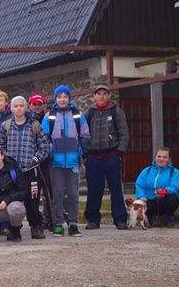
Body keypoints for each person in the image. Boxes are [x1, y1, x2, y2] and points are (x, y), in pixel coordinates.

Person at [0, 95, 51, 239]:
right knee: (13, 200)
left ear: (25, 107)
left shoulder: (34, 125)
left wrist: (35, 159)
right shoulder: (5, 126)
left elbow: (44, 146)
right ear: (12, 108)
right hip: (12, 172)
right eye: (16, 106)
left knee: (33, 201)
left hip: (30, 170)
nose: (19, 108)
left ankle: (36, 226)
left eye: (21, 106)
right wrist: (7, 159)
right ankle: (15, 228)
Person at [41, 85, 90, 237]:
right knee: (57, 195)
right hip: (55, 162)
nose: (62, 99)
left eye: (65, 96)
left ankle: (73, 224)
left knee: (74, 194)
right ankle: (58, 224)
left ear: (69, 98)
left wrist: (80, 150)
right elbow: (43, 137)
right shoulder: (49, 116)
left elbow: (85, 135)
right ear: (55, 99)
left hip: (73, 161)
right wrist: (50, 151)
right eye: (59, 96)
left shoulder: (77, 115)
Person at [84, 84, 131, 230]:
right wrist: (85, 155)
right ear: (95, 96)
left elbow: (124, 134)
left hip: (111, 155)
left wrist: (120, 152)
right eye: (99, 94)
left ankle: (120, 219)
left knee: (116, 188)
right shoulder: (88, 113)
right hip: (93, 157)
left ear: (109, 96)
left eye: (105, 94)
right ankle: (92, 219)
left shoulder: (116, 112)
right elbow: (82, 135)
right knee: (93, 189)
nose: (102, 96)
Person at [135, 147, 179, 227]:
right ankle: (149, 217)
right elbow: (139, 185)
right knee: (143, 204)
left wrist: (166, 190)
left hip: (165, 199)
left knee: (172, 199)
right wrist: (141, 196)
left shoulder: (174, 172)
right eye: (159, 156)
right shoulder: (147, 171)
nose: (161, 159)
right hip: (149, 199)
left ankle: (169, 216)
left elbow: (174, 186)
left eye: (164, 157)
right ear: (155, 157)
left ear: (169, 159)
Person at [28, 93, 54, 228]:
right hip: (31, 163)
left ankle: (50, 220)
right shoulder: (27, 120)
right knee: (34, 194)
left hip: (45, 161)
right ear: (30, 105)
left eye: (39, 104)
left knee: (48, 193)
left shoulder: (48, 118)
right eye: (34, 105)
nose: (37, 107)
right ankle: (36, 222)